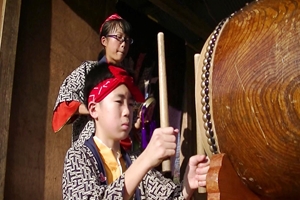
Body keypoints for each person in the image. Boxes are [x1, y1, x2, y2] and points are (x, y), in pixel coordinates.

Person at [62, 62, 210, 199]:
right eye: (119, 102)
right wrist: (146, 159)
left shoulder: (133, 160)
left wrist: (187, 185)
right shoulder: (78, 157)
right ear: (94, 109)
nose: (127, 111)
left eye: (131, 104)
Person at [52, 13, 135, 149]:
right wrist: (97, 110)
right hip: (89, 141)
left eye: (127, 39)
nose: (124, 43)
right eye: (119, 37)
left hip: (118, 147)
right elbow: (66, 101)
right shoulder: (88, 69)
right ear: (104, 40)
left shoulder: (127, 79)